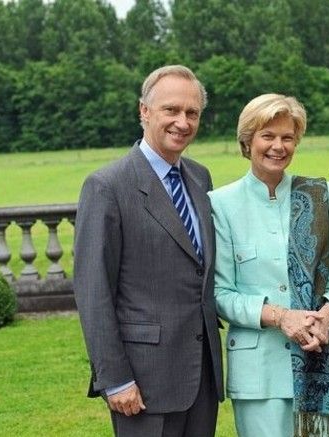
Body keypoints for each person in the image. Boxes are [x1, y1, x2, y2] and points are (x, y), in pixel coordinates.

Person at [73, 65, 223, 437]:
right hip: (142, 383)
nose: (182, 122)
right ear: (144, 111)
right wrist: (115, 379)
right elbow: (93, 293)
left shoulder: (200, 177)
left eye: (192, 113)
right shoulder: (107, 186)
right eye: (171, 110)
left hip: (201, 378)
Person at [208, 94, 329, 437]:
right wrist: (281, 316)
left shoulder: (320, 195)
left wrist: (328, 314)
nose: (278, 146)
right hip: (259, 376)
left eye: (287, 137)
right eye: (267, 136)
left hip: (320, 358)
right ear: (247, 142)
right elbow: (220, 293)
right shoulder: (220, 205)